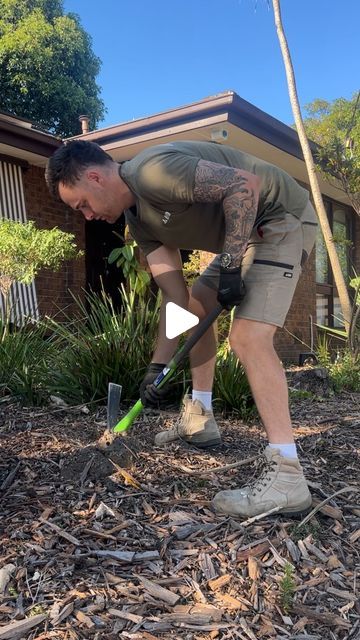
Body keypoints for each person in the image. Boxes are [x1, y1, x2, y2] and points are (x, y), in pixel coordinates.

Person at [46, 139, 318, 518]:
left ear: (94, 177)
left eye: (83, 205)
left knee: (248, 338)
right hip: (244, 237)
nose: (87, 215)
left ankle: (288, 475)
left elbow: (244, 186)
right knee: (197, 305)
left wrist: (230, 265)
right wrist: (157, 368)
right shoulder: (138, 220)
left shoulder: (152, 171)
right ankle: (200, 415)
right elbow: (175, 297)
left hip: (278, 218)